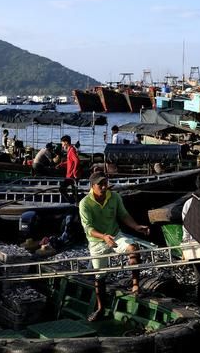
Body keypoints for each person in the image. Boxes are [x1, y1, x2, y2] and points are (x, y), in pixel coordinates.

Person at [79, 171, 150, 321]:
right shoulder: (85, 203)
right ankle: (100, 308)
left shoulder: (114, 197)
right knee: (100, 277)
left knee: (133, 248)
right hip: (96, 241)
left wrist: (136, 227)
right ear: (92, 186)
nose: (104, 187)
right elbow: (88, 228)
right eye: (100, 184)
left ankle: (135, 285)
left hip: (115, 234)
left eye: (105, 183)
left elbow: (123, 215)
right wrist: (103, 237)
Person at [57, 135, 81, 204]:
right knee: (74, 191)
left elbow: (77, 160)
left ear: (66, 142)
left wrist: (74, 171)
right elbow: (70, 161)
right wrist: (61, 164)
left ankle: (70, 202)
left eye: (62, 143)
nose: (62, 145)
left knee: (62, 189)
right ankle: (75, 203)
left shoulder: (71, 150)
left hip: (71, 175)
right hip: (70, 175)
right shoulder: (70, 150)